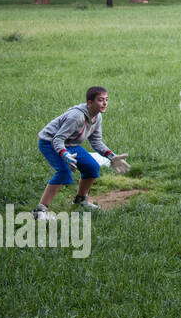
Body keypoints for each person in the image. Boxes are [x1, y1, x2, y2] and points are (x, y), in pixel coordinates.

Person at [33, 87, 123, 219]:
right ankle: (40, 210)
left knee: (92, 167)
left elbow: (96, 142)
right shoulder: (77, 117)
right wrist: (64, 154)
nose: (105, 103)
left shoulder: (97, 117)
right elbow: (57, 139)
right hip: (49, 142)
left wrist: (111, 156)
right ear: (90, 103)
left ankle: (80, 200)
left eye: (106, 100)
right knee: (63, 172)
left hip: (71, 144)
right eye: (100, 100)